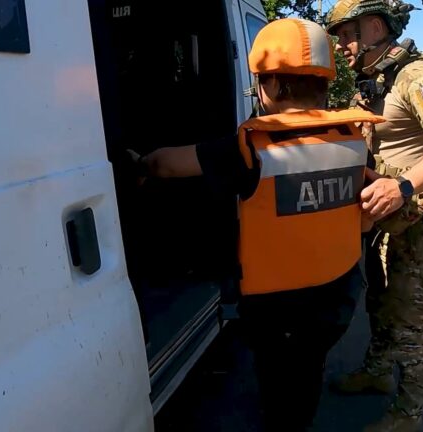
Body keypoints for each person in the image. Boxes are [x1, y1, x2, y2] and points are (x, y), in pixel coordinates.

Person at [126, 18, 384, 431]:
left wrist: (140, 165)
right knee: (307, 374)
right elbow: (365, 214)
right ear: (323, 82)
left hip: (279, 312)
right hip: (338, 294)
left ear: (272, 87)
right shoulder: (352, 139)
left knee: (282, 394)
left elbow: (168, 165)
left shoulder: (252, 148)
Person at [324, 1, 423, 431]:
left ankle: (409, 414)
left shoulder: (416, 76)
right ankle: (376, 372)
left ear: (375, 27)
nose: (341, 44)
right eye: (337, 36)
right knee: (379, 303)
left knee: (415, 320)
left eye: (347, 33)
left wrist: (403, 185)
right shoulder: (374, 82)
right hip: (382, 222)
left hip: (418, 221)